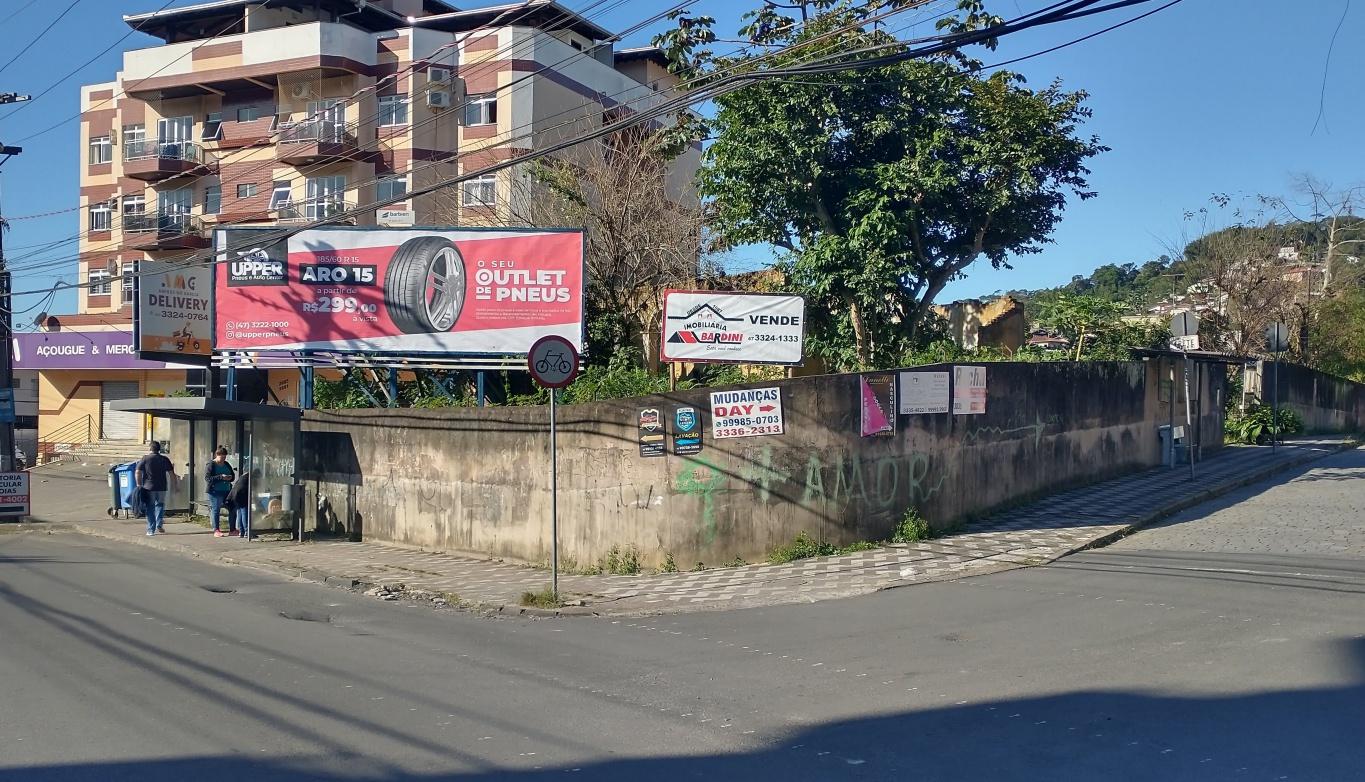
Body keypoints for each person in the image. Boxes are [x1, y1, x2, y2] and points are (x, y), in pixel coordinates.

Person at [134, 442, 179, 536]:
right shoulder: (164, 459)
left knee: (150, 507)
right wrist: (175, 486)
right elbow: (172, 474)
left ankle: (151, 529)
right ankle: (159, 524)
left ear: (150, 448)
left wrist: (139, 484)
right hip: (162, 487)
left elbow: (138, 472)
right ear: (159, 449)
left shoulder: (145, 459)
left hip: (148, 487)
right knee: (160, 505)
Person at [204, 446, 237, 537]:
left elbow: (233, 475)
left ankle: (233, 529)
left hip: (226, 490)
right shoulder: (211, 465)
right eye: (221, 458)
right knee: (216, 509)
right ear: (216, 455)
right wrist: (220, 477)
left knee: (233, 508)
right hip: (215, 491)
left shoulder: (226, 464)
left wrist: (230, 477)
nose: (222, 460)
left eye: (224, 457)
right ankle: (216, 530)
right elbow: (208, 478)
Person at [227, 469, 257, 540]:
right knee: (244, 512)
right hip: (241, 494)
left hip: (234, 494)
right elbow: (255, 489)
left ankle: (241, 532)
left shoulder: (244, 476)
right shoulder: (251, 477)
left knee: (240, 512)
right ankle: (247, 532)